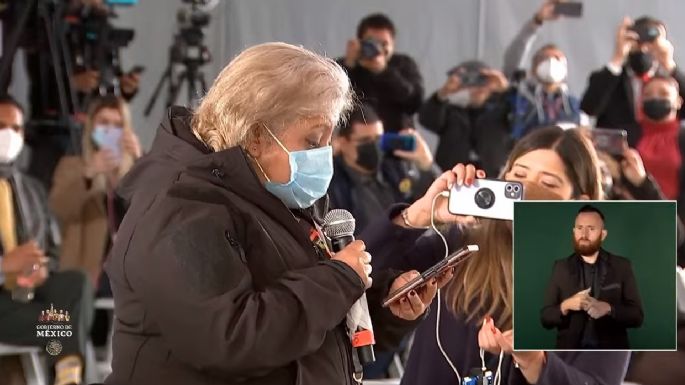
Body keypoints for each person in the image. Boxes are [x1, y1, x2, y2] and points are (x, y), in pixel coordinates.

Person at [104, 42, 440, 385]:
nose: (325, 154)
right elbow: (231, 341)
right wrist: (338, 279)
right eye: (312, 141)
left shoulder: (276, 191)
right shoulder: (178, 207)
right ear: (256, 138)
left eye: (328, 139)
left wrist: (386, 305)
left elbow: (305, 327)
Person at [362, 126, 631, 385]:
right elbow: (353, 278)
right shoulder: (459, 243)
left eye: (548, 183)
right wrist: (416, 216)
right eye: (519, 175)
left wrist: (536, 363)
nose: (526, 190)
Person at [0, 95, 93, 385]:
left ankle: (67, 373)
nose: (9, 135)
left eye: (15, 129)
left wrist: (42, 269)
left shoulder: (31, 189)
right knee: (62, 325)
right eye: (1, 126)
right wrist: (4, 266)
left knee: (75, 283)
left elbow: (51, 250)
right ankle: (68, 374)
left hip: (28, 294)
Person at [49, 95, 142, 287]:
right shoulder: (72, 166)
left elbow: (156, 213)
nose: (111, 130)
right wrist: (89, 173)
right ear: (92, 127)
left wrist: (141, 163)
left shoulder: (137, 169)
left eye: (118, 124)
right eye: (104, 123)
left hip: (132, 269)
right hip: (89, 271)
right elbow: (58, 208)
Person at [541, 205, 644, 349]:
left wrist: (608, 308)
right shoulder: (561, 267)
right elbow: (545, 317)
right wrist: (566, 305)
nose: (584, 234)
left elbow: (637, 316)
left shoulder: (622, 266)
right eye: (579, 228)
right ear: (573, 231)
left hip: (611, 354)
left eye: (591, 228)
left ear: (603, 234)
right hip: (569, 355)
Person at [329, 103, 438, 234]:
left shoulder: (395, 169)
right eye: (365, 140)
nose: (374, 146)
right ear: (342, 142)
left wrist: (426, 165)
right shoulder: (333, 186)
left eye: (378, 139)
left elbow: (426, 206)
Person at [478, 44, 585, 176]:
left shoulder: (572, 103)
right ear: (534, 67)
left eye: (557, 58)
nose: (551, 62)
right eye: (544, 58)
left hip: (564, 161)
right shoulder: (518, 97)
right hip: (525, 156)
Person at [581, 16, 685, 147]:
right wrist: (617, 58)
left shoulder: (669, 82)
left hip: (664, 154)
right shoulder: (610, 78)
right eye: (637, 41)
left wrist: (669, 65)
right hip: (617, 155)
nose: (643, 48)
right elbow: (589, 108)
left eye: (651, 40)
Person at [418, 61, 510, 173]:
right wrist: (443, 94)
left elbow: (523, 120)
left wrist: (507, 91)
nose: (477, 87)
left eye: (482, 80)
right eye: (471, 82)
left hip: (492, 177)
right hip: (452, 177)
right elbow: (427, 120)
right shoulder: (451, 110)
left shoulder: (503, 110)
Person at [338, 13, 424, 133]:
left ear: (393, 44)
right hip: (357, 141)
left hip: (397, 139)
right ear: (359, 42)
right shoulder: (344, 65)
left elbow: (414, 103)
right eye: (371, 43)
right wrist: (349, 65)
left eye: (384, 44)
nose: (377, 49)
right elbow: (333, 103)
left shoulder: (404, 64)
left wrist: (383, 71)